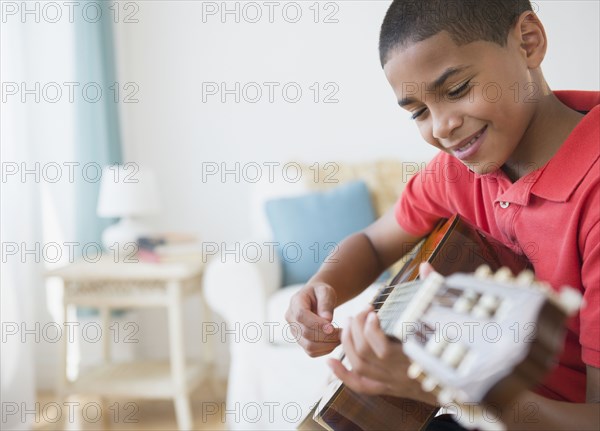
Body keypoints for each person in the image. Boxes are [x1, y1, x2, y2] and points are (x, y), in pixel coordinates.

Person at [284, 1, 599, 429]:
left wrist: (445, 389)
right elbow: (374, 244)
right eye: (418, 111)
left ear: (528, 43)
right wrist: (323, 286)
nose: (441, 127)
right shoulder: (457, 173)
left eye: (455, 90)